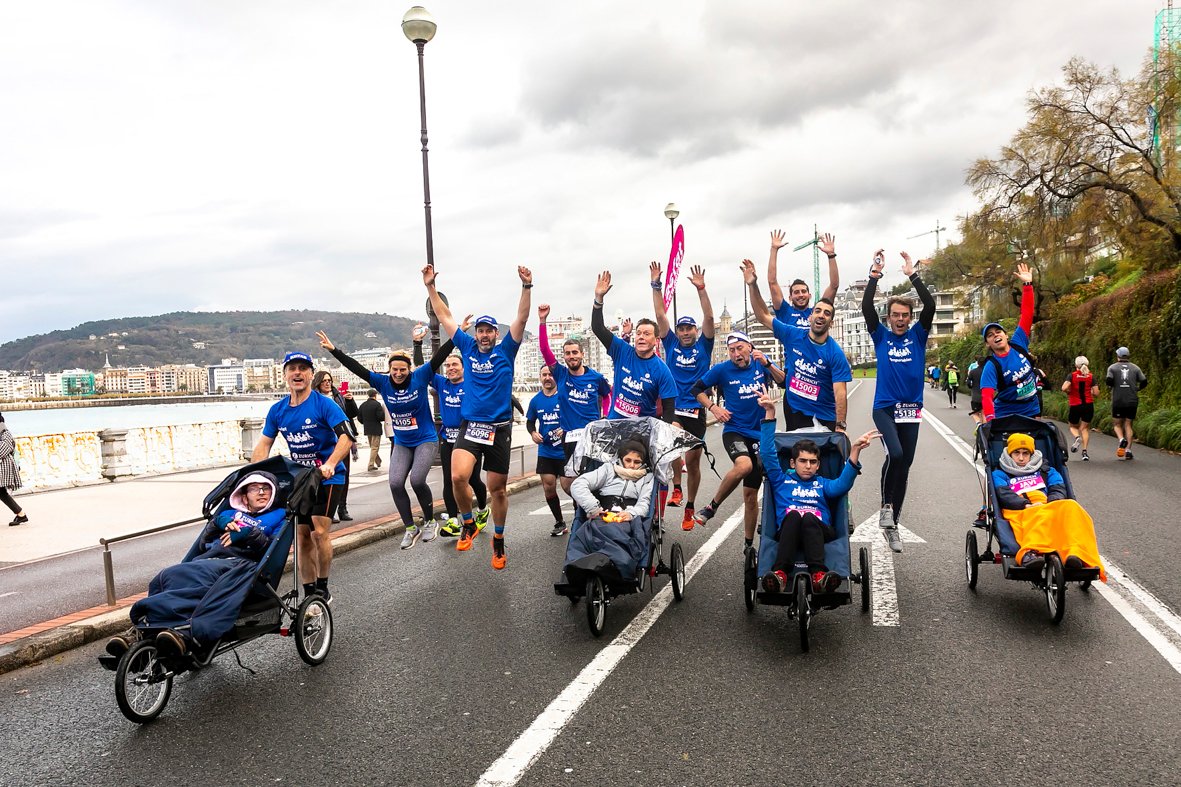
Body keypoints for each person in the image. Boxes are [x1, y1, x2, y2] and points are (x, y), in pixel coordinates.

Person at [107, 471, 288, 658]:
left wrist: (248, 533)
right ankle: (144, 632)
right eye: (254, 488)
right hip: (208, 560)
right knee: (167, 576)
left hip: (240, 564)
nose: (261, 492)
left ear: (273, 493)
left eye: (266, 488)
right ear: (244, 495)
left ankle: (178, 631)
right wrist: (218, 524)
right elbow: (203, 544)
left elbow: (272, 548)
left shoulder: (279, 516)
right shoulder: (228, 513)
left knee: (202, 586)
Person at [423, 263, 531, 570]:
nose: (483, 335)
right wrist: (431, 287)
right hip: (470, 427)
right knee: (458, 476)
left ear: (497, 334)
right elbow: (445, 318)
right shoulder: (467, 347)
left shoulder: (506, 350)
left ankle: (498, 539)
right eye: (480, 331)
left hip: (499, 428)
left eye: (488, 331)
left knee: (497, 489)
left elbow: (521, 318)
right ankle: (468, 523)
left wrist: (526, 287)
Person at [321, 328, 450, 549]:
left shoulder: (419, 377)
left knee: (417, 480)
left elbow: (440, 356)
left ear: (409, 370)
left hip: (426, 439)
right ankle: (410, 527)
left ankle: (430, 521)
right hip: (402, 442)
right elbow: (356, 367)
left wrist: (457, 335)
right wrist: (334, 350)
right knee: (395, 482)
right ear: (389, 369)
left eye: (402, 370)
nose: (398, 374)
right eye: (394, 370)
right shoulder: (382, 383)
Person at [251, 352, 353, 603]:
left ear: (310, 375)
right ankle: (309, 594)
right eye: (292, 369)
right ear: (285, 375)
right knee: (302, 536)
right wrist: (255, 475)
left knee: (319, 533)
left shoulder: (323, 404)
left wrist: (330, 463)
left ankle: (323, 586)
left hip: (328, 477)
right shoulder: (278, 411)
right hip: (301, 480)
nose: (297, 373)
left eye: (303, 369)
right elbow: (263, 445)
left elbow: (347, 437)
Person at [756, 387, 878, 594]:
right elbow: (768, 454)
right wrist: (770, 415)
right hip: (788, 529)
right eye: (803, 461)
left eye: (813, 462)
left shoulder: (822, 483)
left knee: (809, 518)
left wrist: (855, 450)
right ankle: (780, 575)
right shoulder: (781, 480)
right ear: (793, 463)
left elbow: (842, 484)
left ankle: (819, 576)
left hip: (819, 530)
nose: (808, 466)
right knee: (795, 515)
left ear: (818, 465)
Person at [863, 250, 935, 553]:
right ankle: (885, 507)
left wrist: (912, 275)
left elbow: (929, 305)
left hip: (911, 410)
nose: (901, 320)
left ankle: (894, 524)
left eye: (905, 315)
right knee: (894, 452)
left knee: (905, 464)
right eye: (896, 315)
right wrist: (874, 276)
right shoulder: (881, 336)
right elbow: (867, 307)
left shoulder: (919, 335)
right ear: (889, 318)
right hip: (885, 408)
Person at [689, 332, 784, 546]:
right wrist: (714, 408)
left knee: (751, 496)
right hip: (735, 429)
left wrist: (768, 363)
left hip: (760, 432)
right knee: (744, 466)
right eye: (731, 350)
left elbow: (783, 381)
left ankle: (748, 546)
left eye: (740, 348)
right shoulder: (722, 369)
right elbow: (696, 389)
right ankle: (711, 507)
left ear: (750, 347)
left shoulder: (761, 363)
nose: (736, 354)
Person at [742, 259, 852, 432]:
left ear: (831, 322)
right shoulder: (792, 334)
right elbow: (763, 315)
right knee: (797, 457)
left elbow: (840, 393)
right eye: (817, 311)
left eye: (827, 313)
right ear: (810, 317)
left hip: (824, 414)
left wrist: (840, 426)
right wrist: (752, 285)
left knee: (824, 458)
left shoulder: (835, 353)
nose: (821, 315)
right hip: (795, 409)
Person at [649, 261, 714, 529]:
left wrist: (701, 290)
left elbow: (710, 319)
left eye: (689, 329)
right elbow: (661, 316)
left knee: (694, 461)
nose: (685, 333)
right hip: (674, 405)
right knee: (675, 439)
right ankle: (676, 486)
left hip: (697, 407)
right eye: (682, 329)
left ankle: (689, 506)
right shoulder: (672, 343)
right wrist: (656, 285)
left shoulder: (704, 345)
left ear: (695, 332)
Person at [991, 433, 1104, 577]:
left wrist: (1049, 504)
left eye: (1025, 453)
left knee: (1072, 506)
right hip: (1019, 508)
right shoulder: (1000, 474)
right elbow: (1003, 494)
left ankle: (1075, 553)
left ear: (1031, 454)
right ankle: (1029, 553)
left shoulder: (1047, 470)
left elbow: (1058, 489)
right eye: (1016, 453)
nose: (1021, 458)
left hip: (1047, 504)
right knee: (1036, 513)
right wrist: (1025, 504)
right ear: (1009, 453)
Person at [537, 304, 612, 503]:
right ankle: (588, 508)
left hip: (591, 436)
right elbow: (544, 349)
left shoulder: (595, 377)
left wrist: (605, 416)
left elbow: (607, 396)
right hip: (570, 438)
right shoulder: (560, 374)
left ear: (582, 354)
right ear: (564, 357)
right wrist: (542, 322)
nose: (571, 356)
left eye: (575, 353)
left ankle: (592, 515)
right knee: (568, 484)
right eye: (568, 353)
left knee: (591, 479)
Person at [591, 271, 677, 422]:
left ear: (656, 340)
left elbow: (669, 408)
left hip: (642, 429)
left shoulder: (662, 370)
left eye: (646, 333)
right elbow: (598, 328)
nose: (641, 337)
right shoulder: (622, 351)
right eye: (638, 333)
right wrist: (599, 299)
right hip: (615, 425)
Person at [424, 347, 491, 538]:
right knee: (449, 479)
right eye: (447, 365)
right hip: (448, 438)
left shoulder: (471, 383)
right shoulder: (442, 383)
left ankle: (483, 508)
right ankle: (453, 520)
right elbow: (426, 369)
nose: (450, 368)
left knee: (471, 479)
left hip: (470, 438)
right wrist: (418, 344)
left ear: (463, 367)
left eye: (454, 364)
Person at [980, 263, 1038, 421]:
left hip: (1032, 409)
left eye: (998, 332)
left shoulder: (1018, 343)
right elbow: (986, 396)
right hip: (1006, 415)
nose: (995, 335)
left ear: (1006, 335)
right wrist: (991, 421)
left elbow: (1026, 314)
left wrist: (1027, 285)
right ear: (988, 343)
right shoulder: (992, 366)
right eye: (990, 335)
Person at [311, 370, 360, 522]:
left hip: (342, 441)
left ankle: (342, 508)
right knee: (323, 477)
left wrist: (350, 400)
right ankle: (327, 510)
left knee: (343, 475)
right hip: (324, 444)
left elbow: (352, 415)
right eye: (324, 380)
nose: (327, 383)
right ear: (318, 383)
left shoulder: (338, 397)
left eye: (329, 380)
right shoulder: (314, 400)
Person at [766, 229, 839, 329]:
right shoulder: (785, 311)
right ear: (790, 297)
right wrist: (774, 249)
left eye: (803, 291)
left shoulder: (817, 312)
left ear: (809, 295)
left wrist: (831, 256)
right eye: (796, 292)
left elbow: (834, 286)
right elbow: (772, 282)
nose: (800, 295)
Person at [527, 364, 568, 537]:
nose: (547, 378)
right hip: (546, 451)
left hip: (565, 450)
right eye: (544, 374)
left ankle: (582, 519)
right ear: (540, 377)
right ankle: (559, 522)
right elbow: (530, 421)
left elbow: (577, 415)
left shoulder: (564, 396)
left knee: (569, 487)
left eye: (550, 374)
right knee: (549, 487)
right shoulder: (536, 400)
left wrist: (566, 428)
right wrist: (533, 433)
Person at [1106, 346, 1148, 460]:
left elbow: (1108, 380)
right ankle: (1128, 450)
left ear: (1118, 356)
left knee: (1117, 424)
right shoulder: (1135, 368)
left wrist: (1113, 385)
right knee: (1128, 424)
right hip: (1132, 399)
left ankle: (1121, 439)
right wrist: (1138, 389)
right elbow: (1144, 381)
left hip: (1118, 399)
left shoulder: (1112, 367)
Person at [1062, 356, 1099, 461]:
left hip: (1075, 405)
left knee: (1072, 426)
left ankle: (1077, 438)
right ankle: (1085, 452)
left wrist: (1069, 391)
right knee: (1084, 428)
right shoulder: (1091, 377)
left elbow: (1064, 387)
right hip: (1088, 405)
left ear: (1076, 365)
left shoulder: (1072, 376)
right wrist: (1089, 391)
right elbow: (1096, 393)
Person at [0, 413, 28, 526]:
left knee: (1, 492)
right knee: (1, 493)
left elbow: (3, 450)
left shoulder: (5, 434)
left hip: (3, 468)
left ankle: (21, 514)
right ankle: (21, 514)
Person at [357, 388, 386, 472]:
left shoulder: (363, 405)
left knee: (372, 447)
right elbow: (381, 417)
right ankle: (370, 465)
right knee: (375, 447)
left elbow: (359, 417)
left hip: (367, 428)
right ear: (375, 395)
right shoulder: (377, 404)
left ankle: (378, 461)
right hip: (376, 428)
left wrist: (365, 422)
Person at [966, 356, 985, 426]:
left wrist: (971, 387)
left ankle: (979, 424)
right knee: (984, 413)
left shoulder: (973, 372)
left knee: (975, 413)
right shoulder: (988, 371)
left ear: (978, 363)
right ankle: (985, 429)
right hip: (986, 396)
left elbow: (968, 382)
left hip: (975, 396)